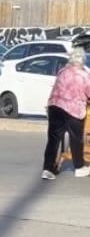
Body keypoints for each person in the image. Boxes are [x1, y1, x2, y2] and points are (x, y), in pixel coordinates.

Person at [42, 46, 90, 180]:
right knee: (76, 138)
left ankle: (48, 168)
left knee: (53, 139)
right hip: (73, 110)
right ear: (82, 62)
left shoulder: (62, 71)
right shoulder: (84, 75)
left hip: (55, 106)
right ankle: (79, 167)